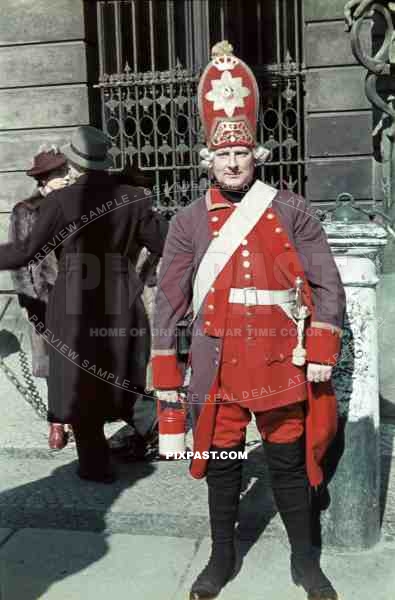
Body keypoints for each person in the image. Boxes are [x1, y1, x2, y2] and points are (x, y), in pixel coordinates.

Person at [152, 41, 345, 600]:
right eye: (222, 154)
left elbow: (327, 287)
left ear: (256, 154)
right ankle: (221, 558)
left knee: (287, 466)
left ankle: (305, 563)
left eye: (241, 153)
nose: (233, 163)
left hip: (283, 364)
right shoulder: (188, 222)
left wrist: (322, 353)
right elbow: (169, 304)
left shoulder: (293, 211)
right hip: (220, 374)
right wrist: (169, 380)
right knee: (225, 466)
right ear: (207, 159)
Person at [0, 125, 168, 483]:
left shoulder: (60, 201)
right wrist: (136, 279)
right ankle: (158, 425)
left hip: (74, 299)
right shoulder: (134, 197)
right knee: (120, 370)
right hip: (122, 295)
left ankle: (95, 465)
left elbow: (27, 251)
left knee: (77, 379)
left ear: (73, 164)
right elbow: (163, 242)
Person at [9, 147, 71, 450]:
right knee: (50, 362)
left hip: (77, 298)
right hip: (43, 298)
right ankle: (57, 423)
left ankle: (79, 417)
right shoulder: (27, 210)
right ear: (44, 180)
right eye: (59, 174)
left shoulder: (75, 205)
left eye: (65, 172)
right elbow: (21, 258)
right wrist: (31, 299)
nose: (65, 178)